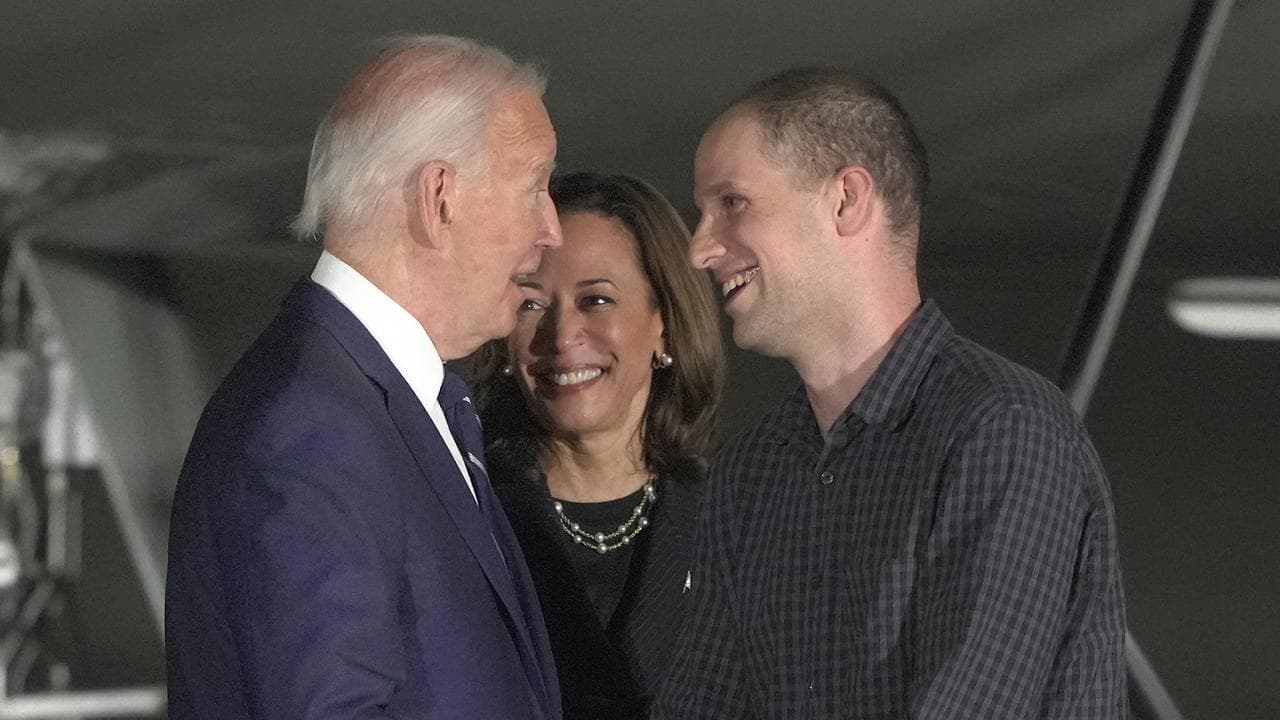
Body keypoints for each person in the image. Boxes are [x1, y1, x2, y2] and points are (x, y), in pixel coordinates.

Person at [653, 68, 1127, 719]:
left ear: (847, 200)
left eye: (733, 202)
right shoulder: (752, 474)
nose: (700, 249)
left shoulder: (1003, 430)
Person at [165, 35, 564, 720]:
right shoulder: (314, 426)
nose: (551, 228)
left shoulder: (372, 400)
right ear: (439, 199)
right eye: (534, 188)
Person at [472, 171, 724, 720]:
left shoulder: (741, 522)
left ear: (664, 323)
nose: (562, 337)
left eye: (596, 300)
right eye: (531, 304)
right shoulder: (466, 515)